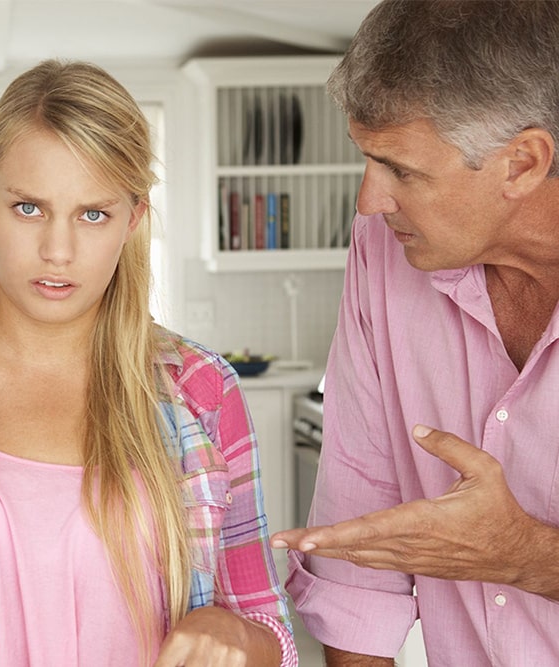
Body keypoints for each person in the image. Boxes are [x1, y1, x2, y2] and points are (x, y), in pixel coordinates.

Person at [0, 59, 297, 667]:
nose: (57, 250)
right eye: (29, 208)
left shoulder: (202, 391)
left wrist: (235, 635)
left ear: (133, 220)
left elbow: (267, 624)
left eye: (92, 214)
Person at [268, 1, 559, 665]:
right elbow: (358, 559)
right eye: (368, 160)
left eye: (401, 169)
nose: (370, 200)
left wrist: (525, 556)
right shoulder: (384, 250)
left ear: (522, 162)